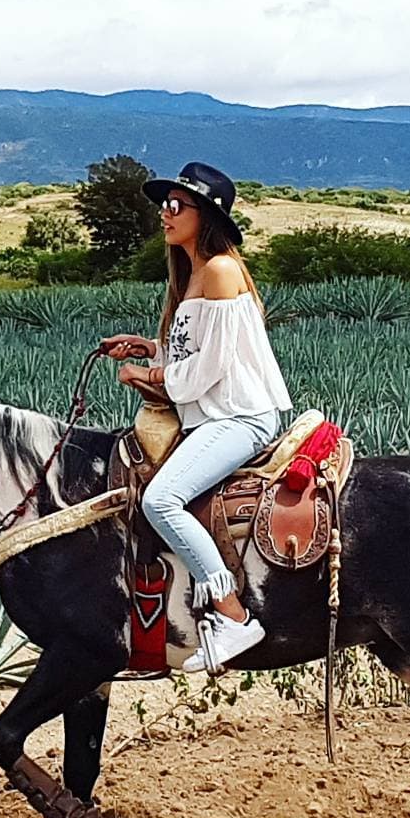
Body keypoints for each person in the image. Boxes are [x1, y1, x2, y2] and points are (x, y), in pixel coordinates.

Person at [101, 161, 292, 671]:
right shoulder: (194, 275)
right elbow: (193, 352)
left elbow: (210, 369)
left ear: (204, 214)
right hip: (214, 417)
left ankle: (233, 618)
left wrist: (150, 377)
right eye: (163, 204)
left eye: (175, 205)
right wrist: (152, 350)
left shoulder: (222, 271)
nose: (164, 214)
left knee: (162, 500)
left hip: (240, 416)